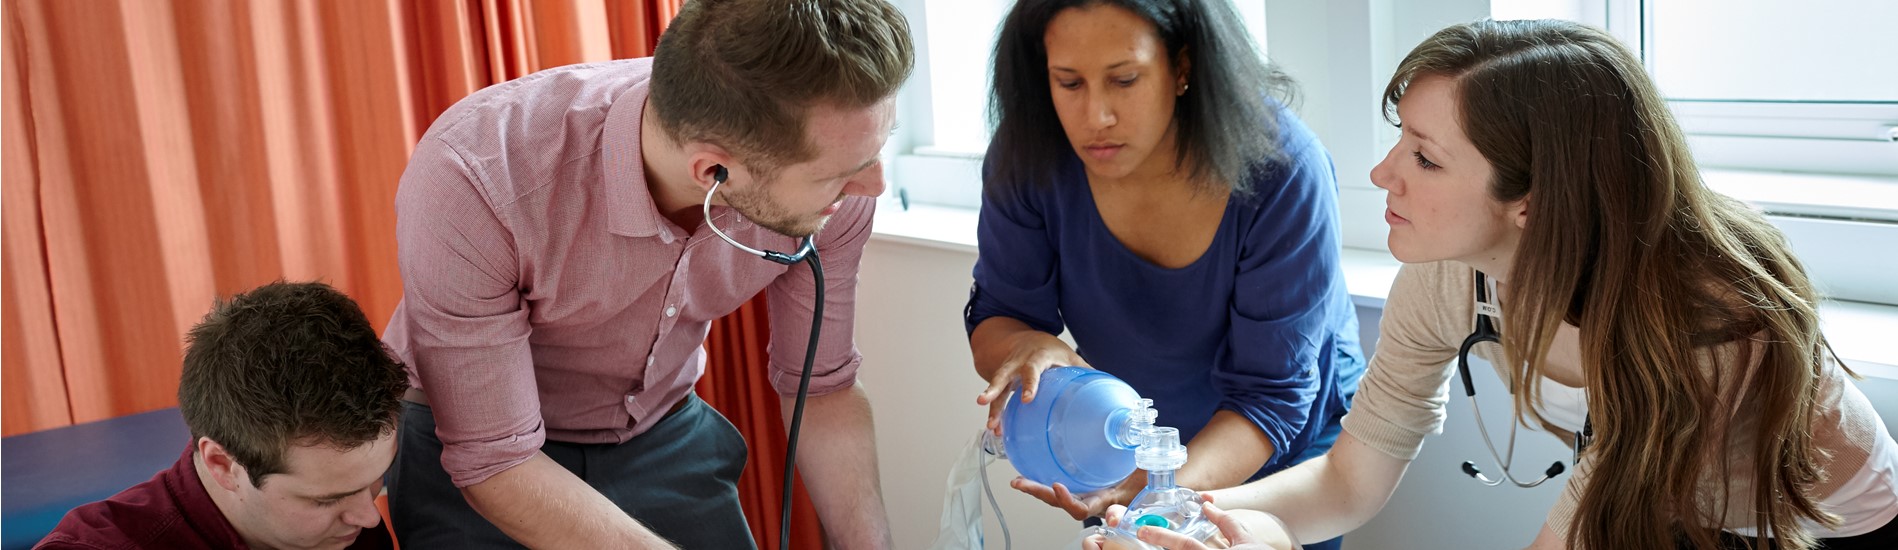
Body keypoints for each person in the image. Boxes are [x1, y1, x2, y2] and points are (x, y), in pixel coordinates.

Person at [1092, 19, 1898, 550]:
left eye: (1425, 157)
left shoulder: (1708, 328)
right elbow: (1349, 478)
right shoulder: (1451, 274)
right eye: (1397, 141)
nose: (1381, 174)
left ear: (1534, 201)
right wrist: (1214, 525)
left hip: (1822, 529)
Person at [378, 0, 912, 548]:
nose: (873, 186)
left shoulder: (837, 185)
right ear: (712, 171)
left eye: (879, 149)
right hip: (477, 450)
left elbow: (820, 389)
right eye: (844, 173)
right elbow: (497, 460)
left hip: (660, 427)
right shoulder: (477, 177)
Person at [964, 1, 1363, 547]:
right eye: (1069, 83)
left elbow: (1271, 397)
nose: (1096, 116)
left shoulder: (1282, 171)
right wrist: (1030, 346)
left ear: (1183, 67)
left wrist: (1151, 491)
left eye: (1124, 80)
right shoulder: (1028, 155)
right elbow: (998, 317)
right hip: (1123, 442)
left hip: (1271, 442)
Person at [37, 281, 410, 550]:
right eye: (326, 500)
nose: (370, 518)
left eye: (377, 480)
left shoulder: (340, 534)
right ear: (222, 464)